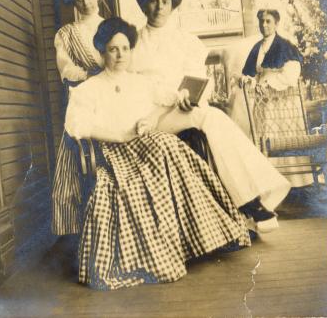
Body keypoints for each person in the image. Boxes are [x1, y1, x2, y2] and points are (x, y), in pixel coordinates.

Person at [65, 17, 251, 290]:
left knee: (167, 144)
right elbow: (78, 126)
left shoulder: (140, 82)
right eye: (113, 49)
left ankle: (198, 239)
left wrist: (150, 118)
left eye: (125, 48)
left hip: (147, 143)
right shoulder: (89, 89)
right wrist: (119, 135)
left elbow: (171, 99)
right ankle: (164, 251)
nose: (120, 55)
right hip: (115, 152)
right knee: (164, 146)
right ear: (102, 50)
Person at [129, 0, 292, 233]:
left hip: (179, 110)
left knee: (211, 117)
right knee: (211, 119)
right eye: (153, 1)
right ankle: (251, 202)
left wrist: (189, 97)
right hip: (147, 115)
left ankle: (251, 200)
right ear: (143, 4)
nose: (159, 7)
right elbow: (133, 85)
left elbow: (197, 79)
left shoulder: (185, 40)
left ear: (173, 5)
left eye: (165, 1)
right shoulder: (133, 43)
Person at [51, 0, 106, 235]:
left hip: (113, 98)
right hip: (84, 98)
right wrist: (91, 75)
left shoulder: (113, 27)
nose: (85, 3)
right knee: (80, 162)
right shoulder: (66, 34)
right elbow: (67, 70)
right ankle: (80, 228)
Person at [239, 9, 310, 187]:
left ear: (276, 24)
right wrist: (248, 80)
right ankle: (271, 185)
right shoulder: (257, 47)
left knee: (282, 137)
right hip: (262, 102)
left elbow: (291, 74)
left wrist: (269, 84)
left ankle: (294, 182)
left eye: (268, 21)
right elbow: (251, 74)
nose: (264, 25)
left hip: (282, 101)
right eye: (262, 21)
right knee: (262, 139)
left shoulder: (285, 46)